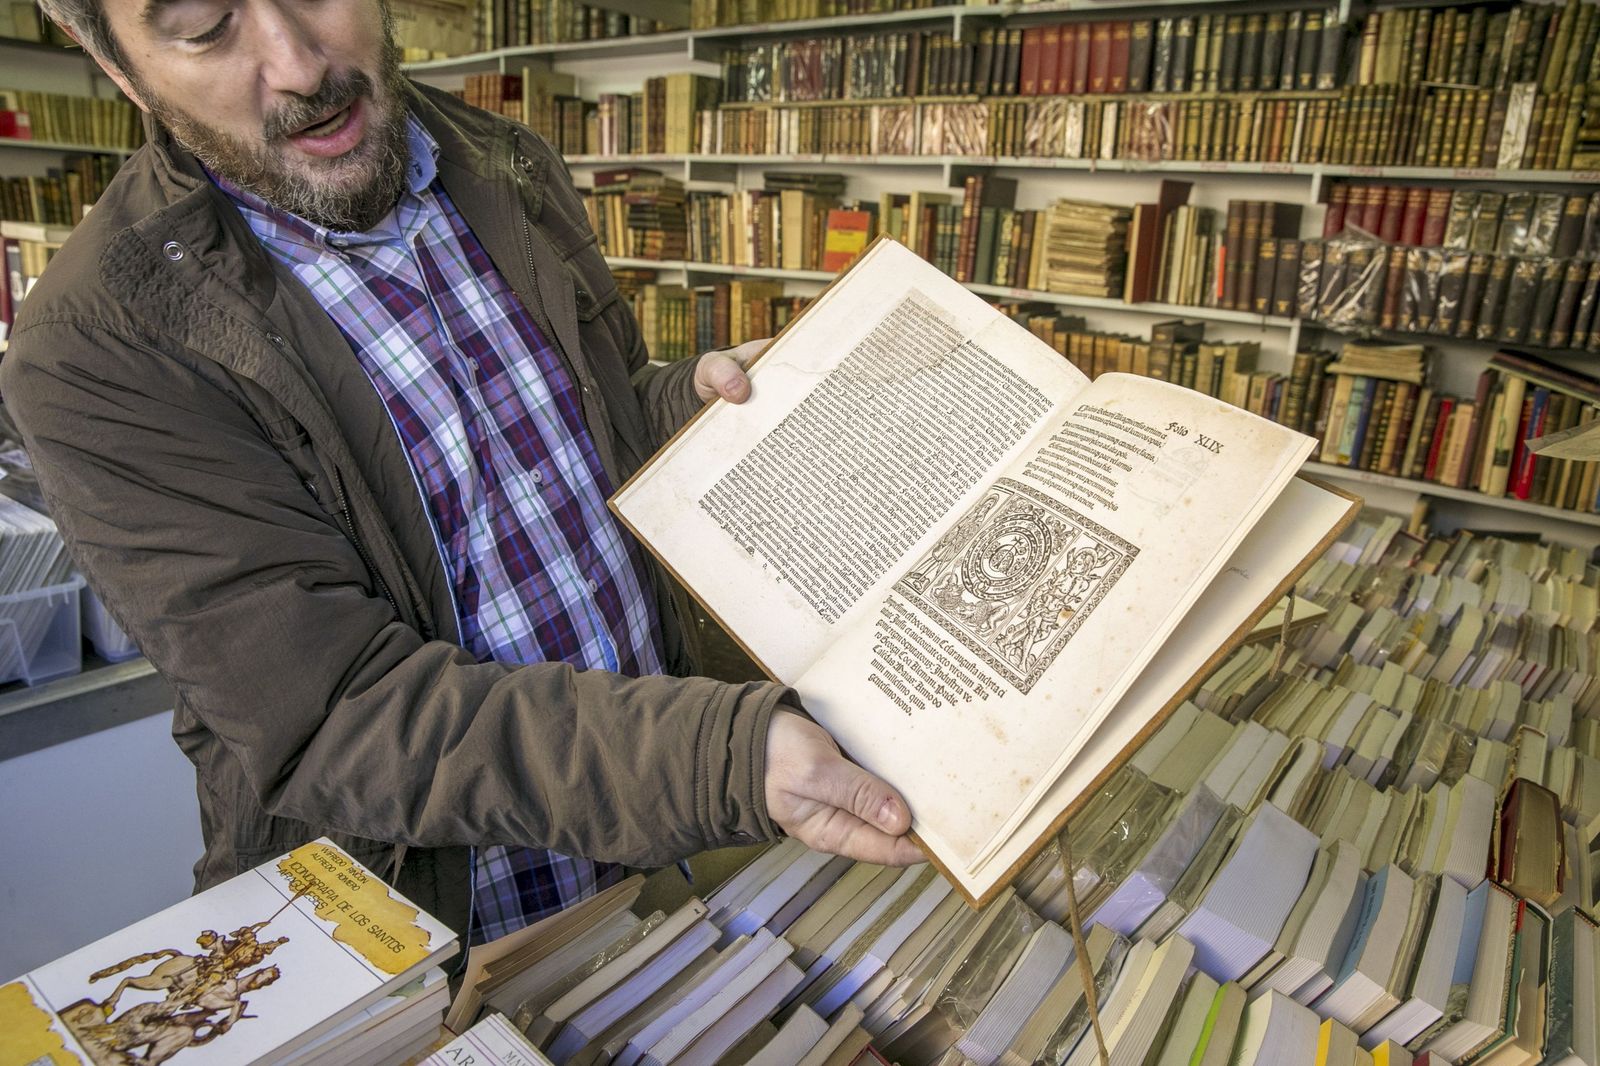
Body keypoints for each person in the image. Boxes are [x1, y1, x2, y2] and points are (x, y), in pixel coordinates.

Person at [4, 0, 921, 944]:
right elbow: (337, 717)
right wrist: (719, 760)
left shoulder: (500, 160)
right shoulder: (97, 351)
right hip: (436, 939)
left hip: (661, 858)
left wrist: (709, 405)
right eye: (205, 27)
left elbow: (587, 437)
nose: (300, 67)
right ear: (114, 64)